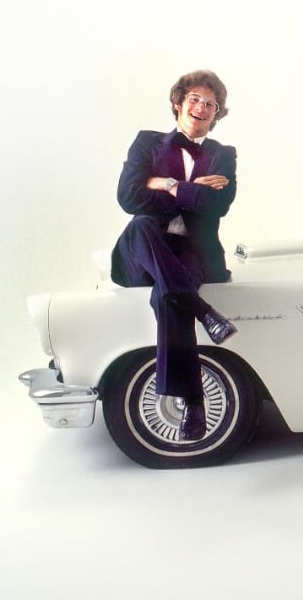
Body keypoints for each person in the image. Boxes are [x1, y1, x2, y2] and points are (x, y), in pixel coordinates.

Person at [110, 69, 238, 442]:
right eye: (194, 99)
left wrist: (162, 185)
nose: (201, 107)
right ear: (179, 104)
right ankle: (203, 311)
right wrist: (183, 187)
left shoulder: (223, 155)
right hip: (141, 252)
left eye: (210, 104)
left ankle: (193, 404)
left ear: (216, 115)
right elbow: (129, 199)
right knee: (141, 226)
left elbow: (218, 205)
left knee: (168, 295)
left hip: (188, 253)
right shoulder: (147, 143)